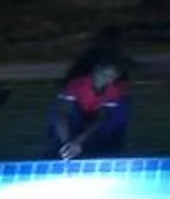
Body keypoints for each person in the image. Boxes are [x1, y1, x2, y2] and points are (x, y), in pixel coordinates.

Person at [49, 31, 133, 160]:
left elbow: (102, 117)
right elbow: (62, 113)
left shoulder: (115, 88)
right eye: (103, 75)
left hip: (99, 109)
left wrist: (80, 140)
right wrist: (67, 142)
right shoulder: (76, 82)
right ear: (96, 71)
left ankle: (108, 152)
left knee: (114, 120)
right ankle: (61, 151)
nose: (105, 79)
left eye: (110, 77)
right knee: (60, 122)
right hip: (77, 106)